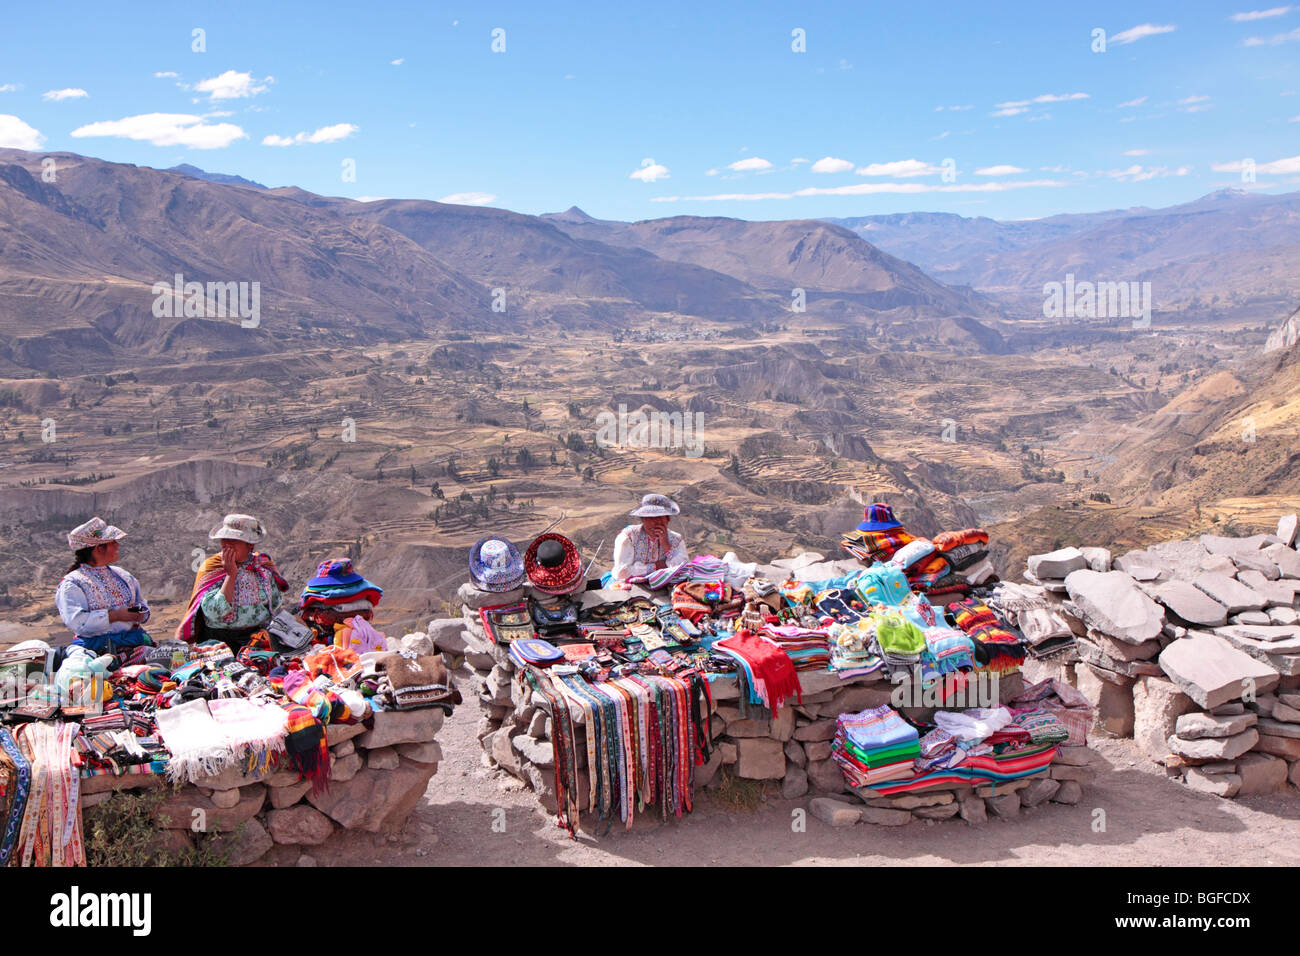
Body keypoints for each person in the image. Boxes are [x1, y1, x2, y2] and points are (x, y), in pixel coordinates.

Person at [175, 513, 287, 652]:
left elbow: (275, 602)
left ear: (250, 544)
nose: (227, 545)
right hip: (218, 642)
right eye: (224, 539)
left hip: (257, 639)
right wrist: (230, 574)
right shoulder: (212, 567)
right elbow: (213, 612)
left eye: (234, 540)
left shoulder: (262, 567)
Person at [55, 517, 153, 655]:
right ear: (99, 548)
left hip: (134, 643)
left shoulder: (124, 576)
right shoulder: (73, 584)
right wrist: (116, 615)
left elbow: (142, 606)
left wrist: (140, 614)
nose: (117, 545)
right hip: (95, 651)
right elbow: (77, 622)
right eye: (113, 542)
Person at [611, 493, 688, 582]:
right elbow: (621, 572)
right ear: (643, 519)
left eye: (660, 517)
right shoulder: (629, 537)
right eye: (649, 518)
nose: (655, 523)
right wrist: (657, 566)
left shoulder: (676, 539)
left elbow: (684, 567)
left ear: (667, 519)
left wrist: (666, 544)